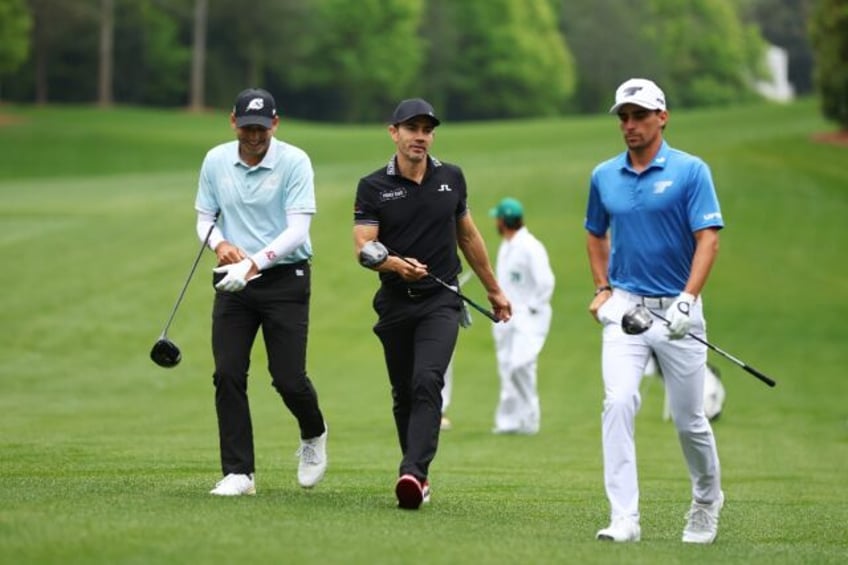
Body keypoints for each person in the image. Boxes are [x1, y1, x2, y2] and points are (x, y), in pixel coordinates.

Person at [584, 78, 725, 543]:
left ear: (661, 117)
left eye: (639, 116)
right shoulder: (604, 175)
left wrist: (688, 298)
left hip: (678, 311)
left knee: (690, 421)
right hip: (625, 309)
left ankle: (706, 500)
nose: (630, 125)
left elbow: (708, 239)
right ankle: (624, 517)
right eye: (623, 117)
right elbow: (595, 233)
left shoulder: (690, 171)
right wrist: (603, 287)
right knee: (618, 402)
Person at [353, 98, 511, 509]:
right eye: (412, 128)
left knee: (428, 381)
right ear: (395, 133)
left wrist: (494, 289)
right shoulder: (373, 187)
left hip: (441, 300)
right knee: (404, 393)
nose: (420, 136)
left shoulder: (451, 178)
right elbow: (364, 248)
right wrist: (395, 264)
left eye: (426, 129)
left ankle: (413, 472)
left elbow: (469, 237)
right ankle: (415, 472)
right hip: (394, 300)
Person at [194, 88, 328, 496]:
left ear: (275, 123)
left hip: (286, 278)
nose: (255, 136)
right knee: (228, 372)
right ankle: (239, 473)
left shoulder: (294, 161)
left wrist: (254, 261)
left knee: (287, 378)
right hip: (234, 278)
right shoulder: (216, 161)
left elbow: (297, 230)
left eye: (262, 127)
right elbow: (204, 219)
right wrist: (219, 244)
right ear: (233, 122)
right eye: (248, 127)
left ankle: (313, 433)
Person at [489, 197, 555, 435]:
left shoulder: (530, 246)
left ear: (503, 221)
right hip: (507, 316)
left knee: (521, 365)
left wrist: (533, 308)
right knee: (506, 366)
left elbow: (546, 282)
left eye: (497, 218)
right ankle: (508, 421)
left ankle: (530, 418)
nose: (495, 222)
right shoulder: (507, 245)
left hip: (528, 315)